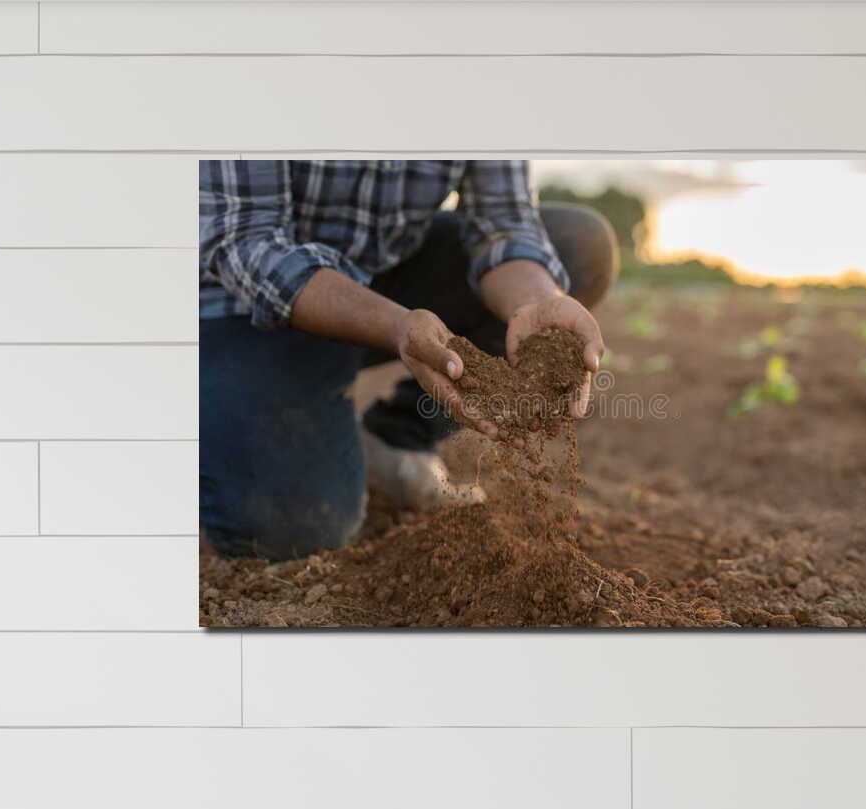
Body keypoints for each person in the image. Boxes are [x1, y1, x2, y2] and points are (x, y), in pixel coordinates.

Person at [199, 160, 616, 560]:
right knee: (292, 531)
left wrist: (538, 301)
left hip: (388, 271)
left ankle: (396, 435)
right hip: (247, 303)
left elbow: (504, 222)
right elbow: (247, 240)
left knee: (578, 243)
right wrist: (396, 325)